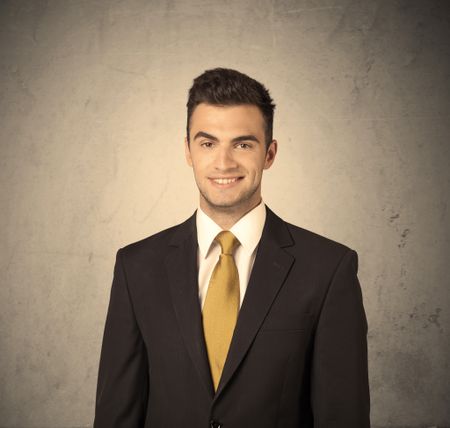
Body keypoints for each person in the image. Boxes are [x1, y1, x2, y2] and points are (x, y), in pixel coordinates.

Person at [93, 68, 370, 428]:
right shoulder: (136, 267)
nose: (224, 163)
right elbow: (118, 414)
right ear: (188, 151)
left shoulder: (330, 269)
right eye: (208, 143)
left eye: (243, 144)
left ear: (269, 154)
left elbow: (343, 418)